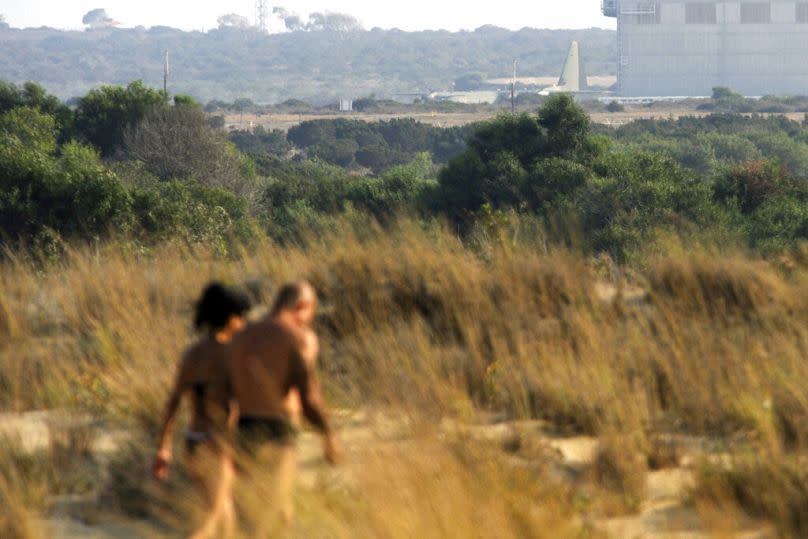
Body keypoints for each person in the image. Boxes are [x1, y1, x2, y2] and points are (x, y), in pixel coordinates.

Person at [226, 280, 341, 525]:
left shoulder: (241, 336)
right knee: (278, 513)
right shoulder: (296, 338)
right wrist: (328, 434)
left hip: (244, 429)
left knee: (248, 510)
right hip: (279, 429)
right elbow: (308, 396)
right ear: (302, 306)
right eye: (311, 311)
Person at [152, 282, 250, 539]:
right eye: (241, 318)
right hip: (216, 444)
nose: (244, 324)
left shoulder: (191, 355)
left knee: (224, 513)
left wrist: (164, 447)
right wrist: (234, 448)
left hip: (192, 444)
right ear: (230, 319)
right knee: (213, 518)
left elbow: (173, 402)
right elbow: (234, 407)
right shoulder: (230, 354)